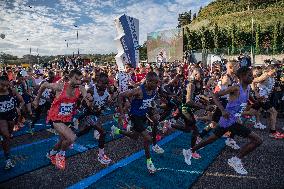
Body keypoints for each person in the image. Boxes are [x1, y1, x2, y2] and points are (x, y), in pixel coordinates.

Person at [185, 67, 262, 175]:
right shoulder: (235, 88)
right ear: (241, 77)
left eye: (252, 75)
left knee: (212, 138)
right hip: (230, 120)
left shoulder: (248, 88)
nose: (252, 77)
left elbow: (245, 104)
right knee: (257, 140)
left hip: (230, 120)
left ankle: (190, 151)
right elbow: (214, 95)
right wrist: (222, 110)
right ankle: (235, 160)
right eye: (249, 75)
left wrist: (256, 103)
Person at [33, 69, 88, 170]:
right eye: (76, 79)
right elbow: (44, 85)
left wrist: (88, 99)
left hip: (67, 118)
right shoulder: (60, 86)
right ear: (70, 78)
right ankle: (60, 155)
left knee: (63, 140)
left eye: (80, 79)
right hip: (55, 117)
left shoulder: (80, 88)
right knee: (71, 138)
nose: (78, 82)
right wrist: (37, 99)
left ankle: (51, 154)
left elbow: (86, 95)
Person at [111, 72, 161, 173]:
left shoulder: (154, 90)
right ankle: (149, 163)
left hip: (143, 115)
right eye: (155, 83)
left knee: (134, 136)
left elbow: (151, 102)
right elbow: (121, 96)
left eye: (157, 82)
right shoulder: (139, 90)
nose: (157, 85)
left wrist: (154, 111)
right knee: (148, 138)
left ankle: (116, 131)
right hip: (135, 116)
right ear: (148, 81)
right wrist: (122, 113)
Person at [0, 76, 24, 169]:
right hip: (1, 117)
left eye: (6, 85)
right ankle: (8, 159)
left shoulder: (12, 90)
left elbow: (22, 101)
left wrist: (19, 108)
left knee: (8, 136)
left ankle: (7, 157)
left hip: (11, 116)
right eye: (2, 85)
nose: (5, 88)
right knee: (6, 135)